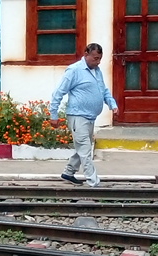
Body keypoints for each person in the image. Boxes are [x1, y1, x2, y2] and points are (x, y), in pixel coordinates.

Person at [49, 43, 118, 187]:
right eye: (95, 58)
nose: (98, 62)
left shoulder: (97, 71)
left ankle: (68, 172)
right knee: (85, 150)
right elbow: (58, 93)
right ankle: (93, 182)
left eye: (99, 59)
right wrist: (53, 115)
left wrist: (112, 104)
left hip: (90, 117)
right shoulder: (74, 70)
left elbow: (103, 90)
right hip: (77, 116)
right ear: (86, 54)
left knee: (84, 148)